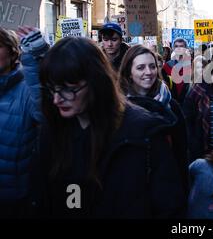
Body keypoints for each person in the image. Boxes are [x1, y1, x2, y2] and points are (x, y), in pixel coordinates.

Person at [26, 34, 184, 218]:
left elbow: (169, 205)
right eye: (53, 88)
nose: (57, 98)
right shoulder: (53, 131)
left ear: (96, 82)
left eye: (69, 89)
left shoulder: (144, 132)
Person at [118, 45, 189, 199]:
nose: (148, 72)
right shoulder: (118, 110)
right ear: (129, 72)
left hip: (167, 188)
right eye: (140, 67)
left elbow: (181, 152)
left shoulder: (171, 106)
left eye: (152, 66)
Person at [0, 27, 47, 217]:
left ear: (12, 53)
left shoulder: (27, 88)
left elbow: (45, 114)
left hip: (13, 199)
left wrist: (39, 57)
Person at [162, 38, 191, 104]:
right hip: (172, 102)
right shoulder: (167, 66)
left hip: (188, 102)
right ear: (173, 49)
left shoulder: (192, 65)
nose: (179, 48)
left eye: (181, 46)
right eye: (176, 46)